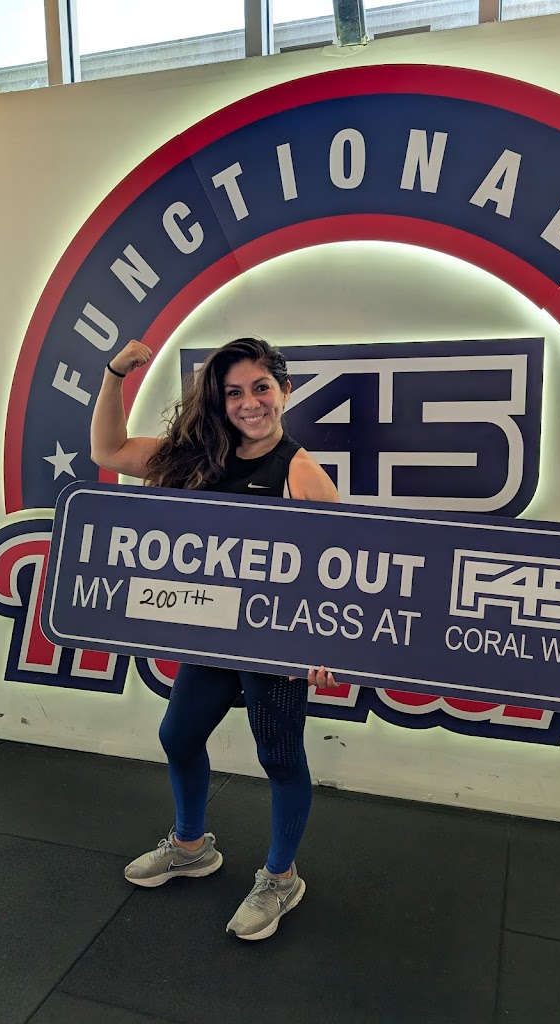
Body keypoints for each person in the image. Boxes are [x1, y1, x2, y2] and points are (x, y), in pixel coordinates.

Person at [90, 336, 340, 941]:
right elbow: (109, 450)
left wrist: (326, 649)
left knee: (280, 759)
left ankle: (280, 878)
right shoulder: (193, 458)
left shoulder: (302, 473)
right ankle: (191, 846)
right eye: (234, 392)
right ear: (219, 401)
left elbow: (342, 576)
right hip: (213, 637)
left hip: (275, 650)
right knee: (178, 736)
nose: (249, 403)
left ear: (285, 390)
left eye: (261, 387)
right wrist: (114, 374)